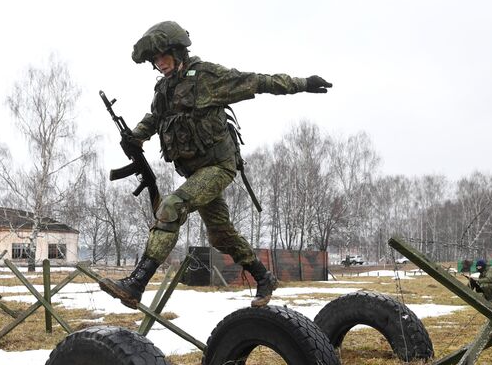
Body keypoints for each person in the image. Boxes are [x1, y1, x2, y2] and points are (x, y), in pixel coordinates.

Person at [99, 21, 332, 309]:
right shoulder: (164, 89)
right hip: (196, 172)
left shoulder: (207, 77)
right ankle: (264, 277)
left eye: (163, 56)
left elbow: (258, 81)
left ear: (177, 51)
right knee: (221, 235)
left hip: (219, 167)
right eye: (154, 60)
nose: (159, 64)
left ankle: (136, 284)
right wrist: (135, 136)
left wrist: (303, 84)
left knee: (171, 207)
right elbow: (155, 117)